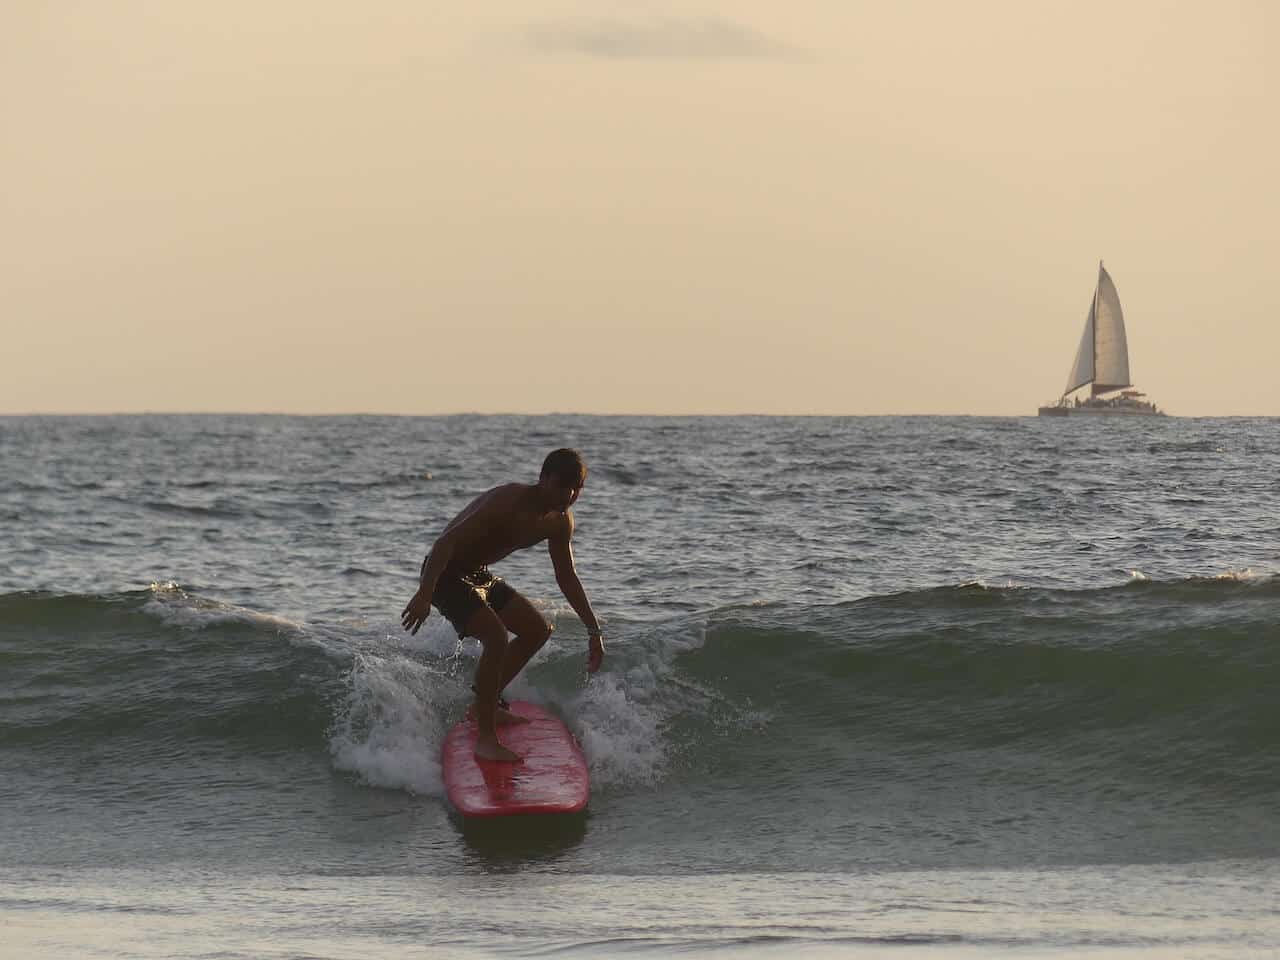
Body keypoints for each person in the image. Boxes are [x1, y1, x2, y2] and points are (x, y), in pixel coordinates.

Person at [401, 448, 604, 763]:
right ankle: (485, 738)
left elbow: (566, 575)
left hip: (477, 574)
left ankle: (486, 704)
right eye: (564, 486)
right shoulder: (508, 501)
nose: (570, 495)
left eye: (577, 488)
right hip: (444, 573)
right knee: (496, 637)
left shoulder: (559, 522)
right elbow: (444, 544)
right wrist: (424, 594)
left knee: (537, 630)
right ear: (544, 479)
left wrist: (594, 630)